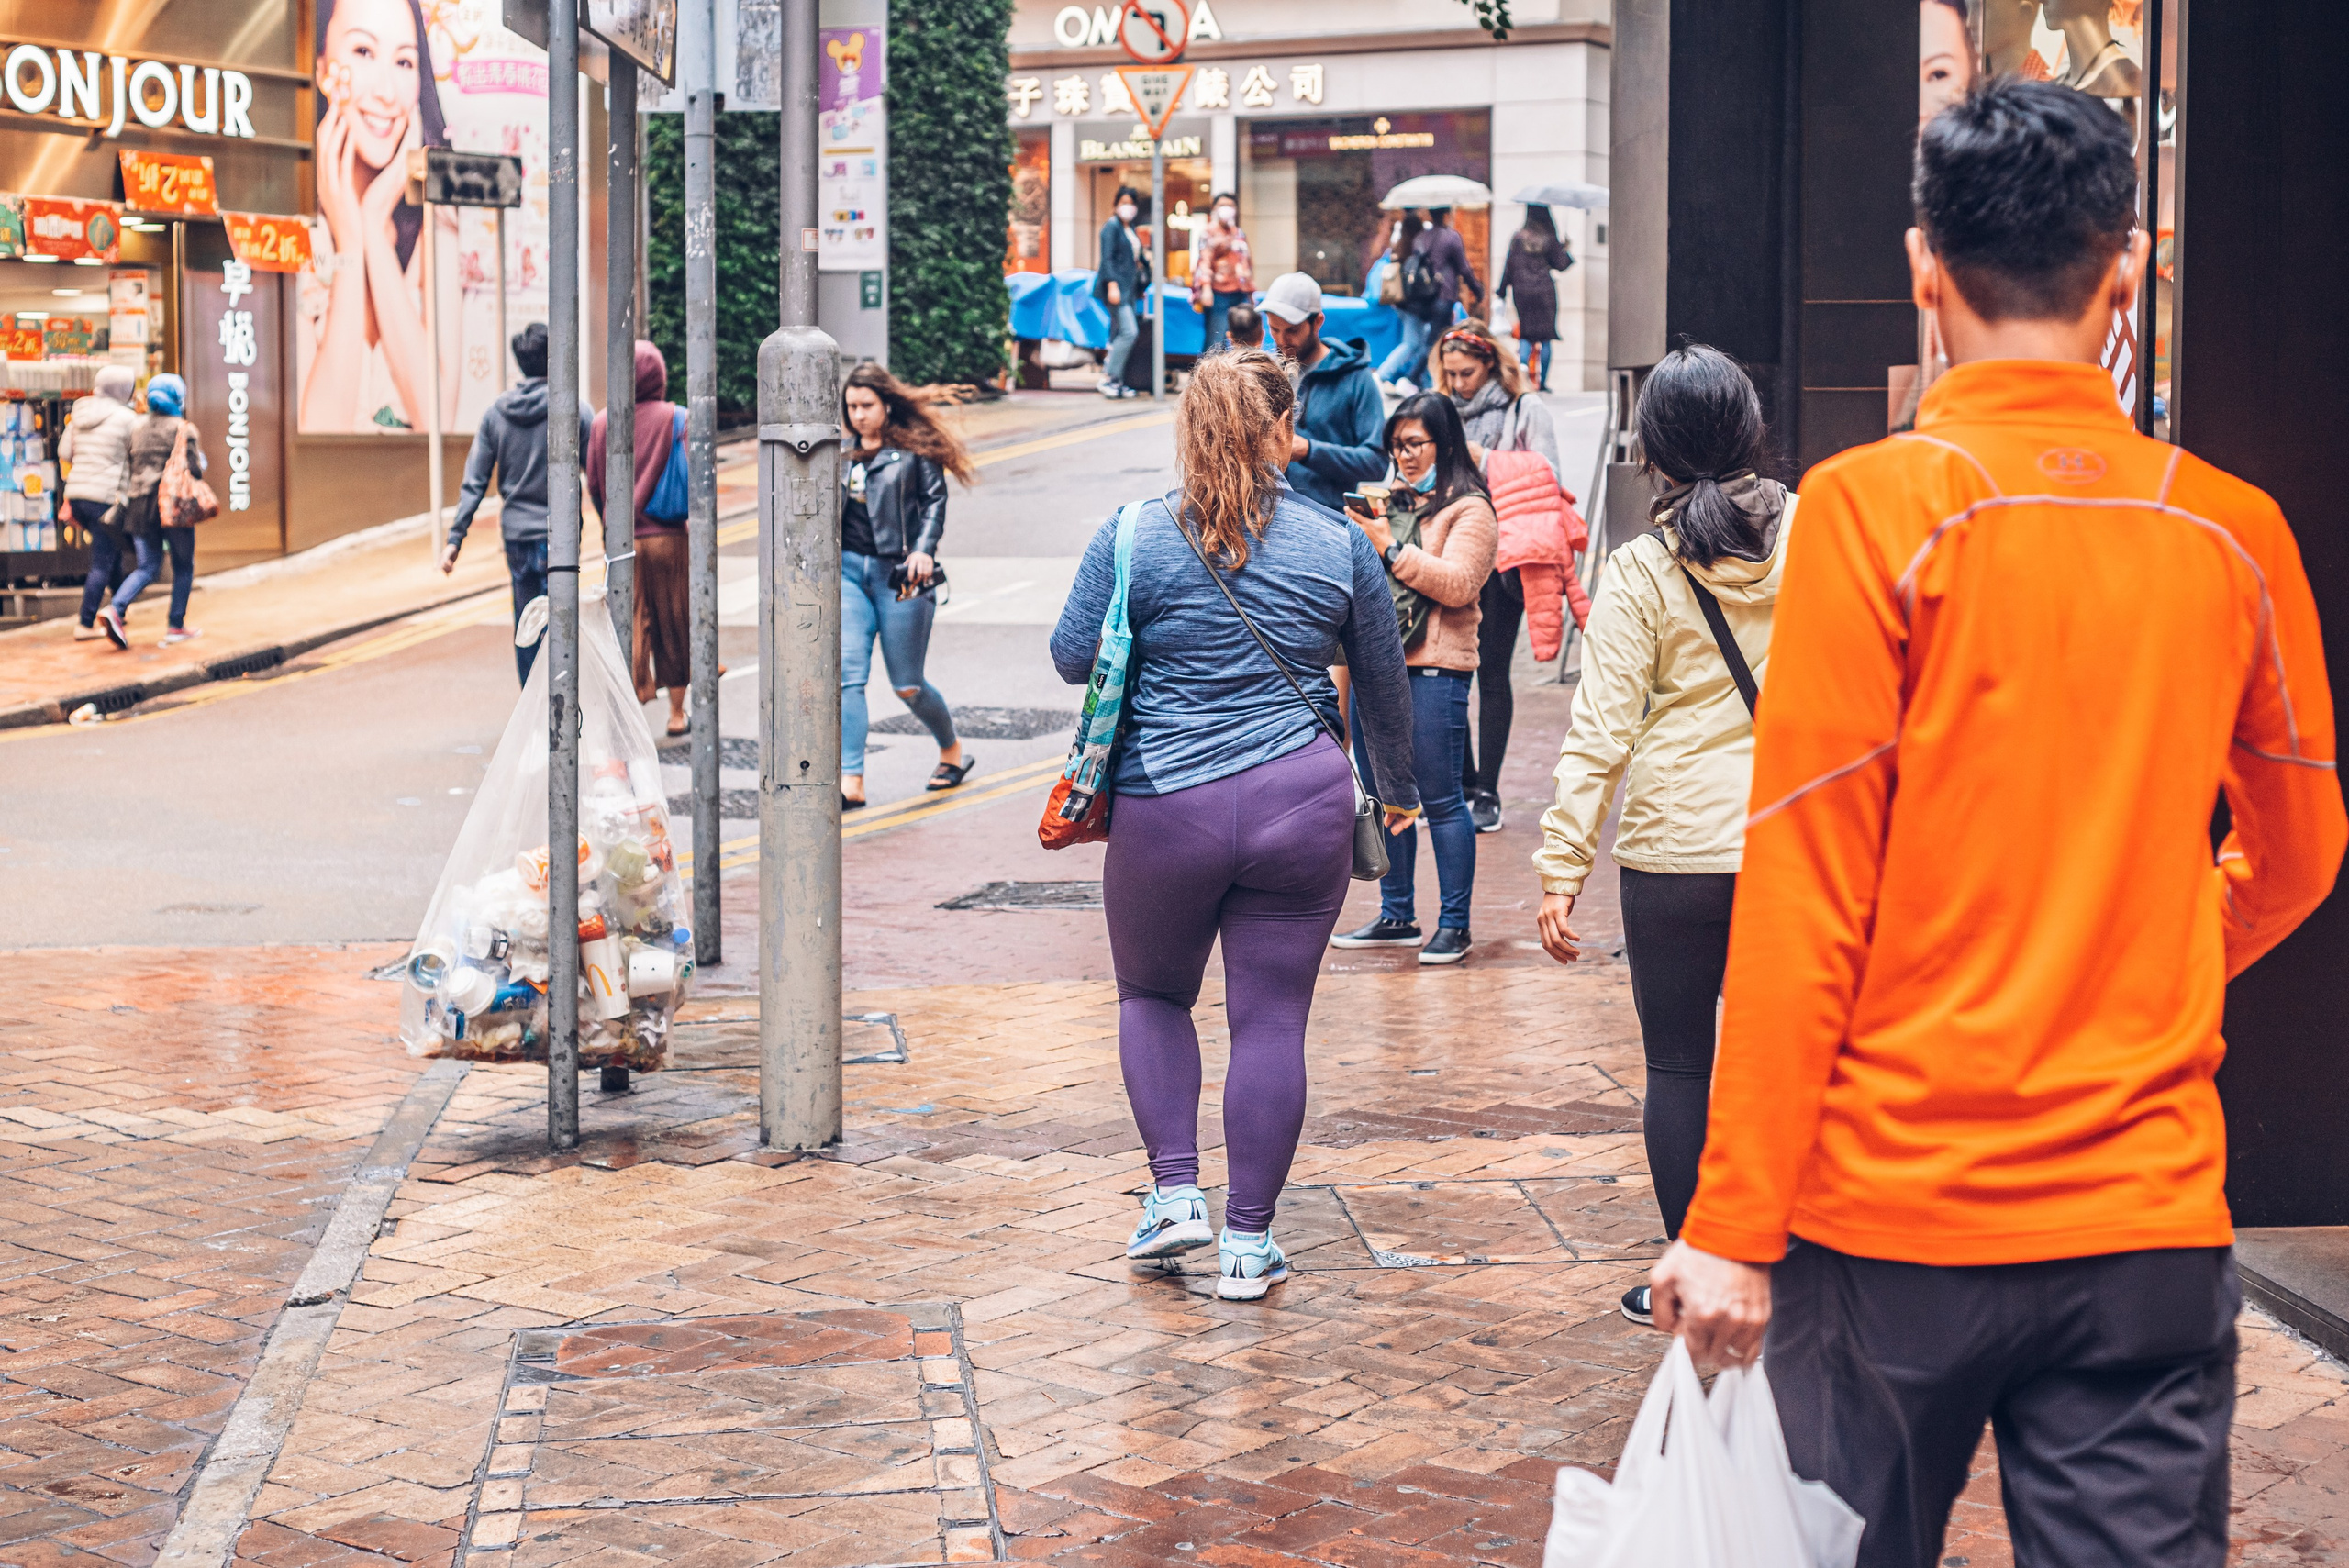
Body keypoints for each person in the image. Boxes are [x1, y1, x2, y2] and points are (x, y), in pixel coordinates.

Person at [1656, 79, 2345, 1567]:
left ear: (1924, 268)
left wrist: (1732, 1218)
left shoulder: (1871, 511)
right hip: (2144, 1217)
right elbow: (2299, 850)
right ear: (2129, 271)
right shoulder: (2235, 530)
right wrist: (2146, 952)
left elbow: (1805, 888)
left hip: (1884, 1220)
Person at [1049, 350, 1420, 1301]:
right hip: (1302, 801)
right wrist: (1399, 793)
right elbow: (1384, 685)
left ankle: (1175, 1193)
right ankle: (1249, 1244)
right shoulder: (1339, 543)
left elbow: (1071, 656)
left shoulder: (1133, 533)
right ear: (1282, 432)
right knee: (1273, 1020)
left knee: (1152, 996)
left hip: (1165, 802)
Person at [1532, 345, 1792, 1326]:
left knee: (1680, 1066)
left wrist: (1562, 864)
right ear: (1751, 428)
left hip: (1675, 851)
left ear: (1655, 451)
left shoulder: (1642, 567)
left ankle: (1694, 1279)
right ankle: (1786, 1266)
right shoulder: (1816, 534)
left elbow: (1601, 731)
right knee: (1788, 1065)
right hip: (1792, 844)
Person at [1330, 392, 1497, 966]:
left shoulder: (1470, 509)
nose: (1402, 456)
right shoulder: (1392, 502)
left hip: (1435, 669)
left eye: (1414, 444)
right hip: (1379, 667)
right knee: (1383, 796)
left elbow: (1459, 584)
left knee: (1442, 800)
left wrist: (1390, 546)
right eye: (1396, 446)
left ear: (1444, 444)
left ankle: (1455, 925)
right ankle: (1396, 914)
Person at [302, 0, 459, 433]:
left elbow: (438, 422)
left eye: (404, 61)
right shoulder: (295, 221)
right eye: (363, 52)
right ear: (321, 68)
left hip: (415, 481)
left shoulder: (436, 216)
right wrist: (350, 241)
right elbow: (320, 432)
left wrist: (372, 223)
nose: (387, 92)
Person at [1439, 320, 1564, 833]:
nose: (1458, 384)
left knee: (1491, 671)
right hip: (1451, 555)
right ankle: (1464, 783)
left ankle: (1487, 791)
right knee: (1451, 669)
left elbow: (1550, 476)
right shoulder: (1441, 409)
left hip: (1507, 558)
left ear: (1490, 364)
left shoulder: (1524, 408)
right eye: (1449, 374)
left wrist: (1486, 460)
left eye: (1466, 373)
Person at [839, 362, 975, 809]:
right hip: (847, 574)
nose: (858, 415)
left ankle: (951, 750)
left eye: (866, 405)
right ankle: (851, 778)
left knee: (907, 685)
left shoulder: (914, 451)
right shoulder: (839, 453)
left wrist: (923, 550)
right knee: (848, 678)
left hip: (901, 578)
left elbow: (934, 502)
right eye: (851, 407)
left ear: (886, 404)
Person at [442, 324, 580, 685]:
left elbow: (474, 481)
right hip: (558, 535)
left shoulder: (496, 415)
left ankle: (532, 702)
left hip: (517, 535)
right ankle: (561, 699)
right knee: (561, 623)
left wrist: (455, 540)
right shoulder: (572, 409)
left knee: (526, 624)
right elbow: (599, 470)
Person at [587, 341, 694, 735]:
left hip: (622, 542)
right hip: (669, 537)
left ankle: (631, 714)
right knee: (674, 621)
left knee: (630, 623)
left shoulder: (602, 423)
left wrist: (610, 522)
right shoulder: (677, 417)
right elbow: (696, 477)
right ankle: (677, 714)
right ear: (659, 376)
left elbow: (594, 483)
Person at [95, 374, 208, 650]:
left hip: (138, 506)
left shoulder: (137, 428)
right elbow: (195, 470)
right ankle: (175, 626)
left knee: (147, 566)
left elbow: (128, 466)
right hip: (173, 505)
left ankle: (116, 608)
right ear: (178, 398)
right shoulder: (183, 429)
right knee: (183, 566)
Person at [1262, 272, 1386, 516]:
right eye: (1274, 329)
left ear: (1317, 322)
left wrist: (1309, 451)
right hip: (1270, 515)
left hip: (1329, 517)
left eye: (1292, 330)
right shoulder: (1269, 372)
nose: (1282, 340)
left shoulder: (1357, 378)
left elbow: (1376, 463)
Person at [61, 365, 139, 642]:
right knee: (102, 563)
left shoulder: (80, 412)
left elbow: (64, 452)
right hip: (106, 498)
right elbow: (136, 455)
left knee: (112, 552)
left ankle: (118, 610)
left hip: (77, 495)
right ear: (124, 389)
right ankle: (85, 623)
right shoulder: (127, 418)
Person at [1496, 205, 1575, 391]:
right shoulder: (1549, 238)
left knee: (1525, 334)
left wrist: (1501, 291)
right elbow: (1561, 264)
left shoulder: (1518, 238)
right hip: (1545, 292)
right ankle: (1542, 383)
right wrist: (1565, 248)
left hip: (1522, 292)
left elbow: (1509, 266)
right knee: (1546, 337)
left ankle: (1523, 381)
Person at [1094, 186, 1148, 400]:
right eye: (1124, 202)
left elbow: (1135, 260)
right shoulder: (1111, 227)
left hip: (1129, 290)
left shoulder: (1129, 228)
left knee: (1119, 334)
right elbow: (1107, 259)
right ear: (1115, 204)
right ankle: (1109, 378)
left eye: (1131, 203)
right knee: (1129, 332)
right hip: (1117, 290)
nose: (1128, 207)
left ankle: (1117, 381)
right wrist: (1112, 285)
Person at [1375, 212, 1431, 391]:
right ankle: (1382, 375)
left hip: (1401, 303)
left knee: (1419, 345)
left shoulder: (1398, 248)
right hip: (1413, 305)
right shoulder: (1416, 249)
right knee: (1412, 344)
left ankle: (1419, 381)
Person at [1192, 193, 1254, 352]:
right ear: (1214, 208)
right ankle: (1209, 369)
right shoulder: (1209, 233)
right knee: (1216, 340)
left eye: (1230, 205)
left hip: (1240, 292)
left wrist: (1250, 291)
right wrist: (1206, 288)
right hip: (1218, 294)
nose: (1226, 209)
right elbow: (1204, 262)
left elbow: (1247, 261)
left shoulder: (1239, 233)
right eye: (1222, 205)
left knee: (1244, 339)